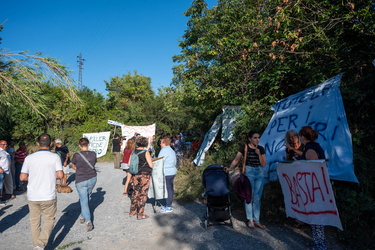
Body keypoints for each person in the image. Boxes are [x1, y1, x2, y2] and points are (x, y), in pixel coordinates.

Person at [20, 133, 63, 250]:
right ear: (50, 144)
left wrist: (33, 176)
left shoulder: (29, 158)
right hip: (48, 194)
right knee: (49, 220)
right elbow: (60, 175)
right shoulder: (55, 157)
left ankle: (37, 245)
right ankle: (40, 245)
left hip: (33, 195)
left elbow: (22, 177)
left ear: (38, 144)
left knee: (34, 222)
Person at [226, 130, 267, 229]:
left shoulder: (261, 149)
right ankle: (250, 220)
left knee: (257, 198)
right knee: (249, 196)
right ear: (249, 139)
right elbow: (237, 159)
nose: (257, 140)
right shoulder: (244, 147)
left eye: (258, 137)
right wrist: (230, 168)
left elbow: (263, 164)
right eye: (255, 138)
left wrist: (258, 154)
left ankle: (257, 220)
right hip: (249, 172)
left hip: (259, 172)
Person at [299, 126, 327, 250]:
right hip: (315, 186)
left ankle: (321, 245)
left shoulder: (310, 149)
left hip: (315, 187)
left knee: (317, 216)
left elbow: (314, 168)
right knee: (313, 215)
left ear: (303, 137)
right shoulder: (313, 146)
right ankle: (317, 242)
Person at [71, 138, 97, 232]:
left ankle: (88, 221)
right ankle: (82, 216)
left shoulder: (76, 155)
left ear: (79, 145)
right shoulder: (93, 154)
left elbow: (73, 165)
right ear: (88, 144)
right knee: (88, 197)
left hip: (81, 179)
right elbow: (94, 163)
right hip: (92, 178)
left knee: (83, 200)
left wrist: (78, 168)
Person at [129, 136, 154, 220]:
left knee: (135, 192)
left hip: (135, 175)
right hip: (145, 175)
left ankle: (132, 211)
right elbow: (151, 165)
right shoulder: (146, 152)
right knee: (143, 194)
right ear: (145, 143)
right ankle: (140, 214)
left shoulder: (133, 152)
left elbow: (129, 164)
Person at [158, 137, 177, 213]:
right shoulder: (171, 150)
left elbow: (159, 161)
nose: (160, 144)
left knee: (168, 189)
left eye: (161, 142)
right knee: (170, 188)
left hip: (167, 172)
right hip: (172, 171)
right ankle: (168, 204)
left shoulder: (164, 150)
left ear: (164, 143)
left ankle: (169, 206)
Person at [0, 140, 10, 205]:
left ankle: (1, 198)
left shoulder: (4, 151)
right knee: (0, 186)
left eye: (6, 144)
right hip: (1, 171)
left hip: (5, 171)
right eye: (3, 144)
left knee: (1, 186)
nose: (5, 145)